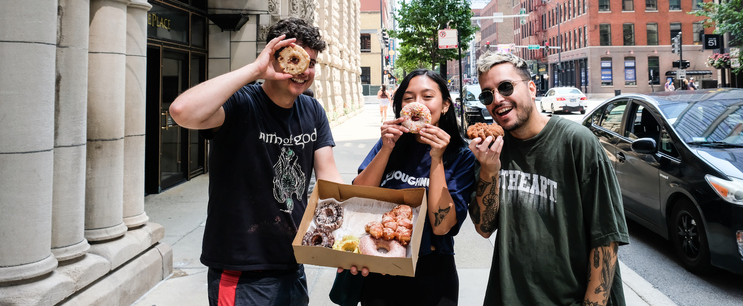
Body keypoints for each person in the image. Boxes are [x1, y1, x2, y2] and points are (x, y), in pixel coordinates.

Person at [169, 17, 342, 306]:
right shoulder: (241, 104)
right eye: (297, 59)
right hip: (242, 269)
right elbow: (182, 111)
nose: (305, 70)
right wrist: (254, 71)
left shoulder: (312, 110)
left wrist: (342, 238)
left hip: (293, 264)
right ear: (273, 58)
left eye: (311, 63)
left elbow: (329, 179)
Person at [468, 52, 629, 306]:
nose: (497, 99)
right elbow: (484, 228)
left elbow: (606, 238)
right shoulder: (491, 150)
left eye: (506, 87)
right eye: (487, 94)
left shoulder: (577, 142)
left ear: (531, 88)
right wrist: (489, 170)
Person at [351, 69, 476, 306]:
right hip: (381, 264)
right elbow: (359, 196)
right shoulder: (390, 142)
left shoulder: (461, 156)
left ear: (446, 105)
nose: (417, 104)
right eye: (409, 98)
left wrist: (437, 159)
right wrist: (387, 148)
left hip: (433, 270)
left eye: (427, 97)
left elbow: (442, 227)